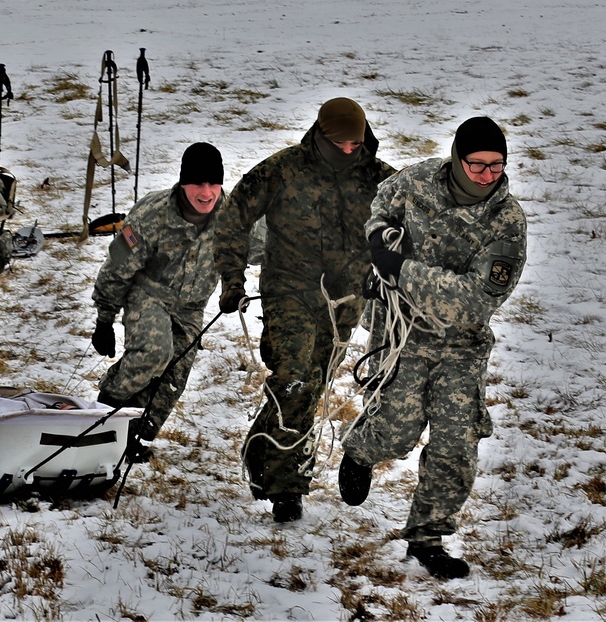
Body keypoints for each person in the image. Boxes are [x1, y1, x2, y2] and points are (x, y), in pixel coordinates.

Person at [337, 116, 527, 579]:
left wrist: (401, 269)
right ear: (457, 159)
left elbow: (472, 301)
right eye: (477, 164)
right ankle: (362, 449)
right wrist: (380, 236)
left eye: (497, 165)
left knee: (455, 445)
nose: (487, 175)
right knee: (398, 430)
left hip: (460, 345)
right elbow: (381, 206)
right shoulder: (418, 180)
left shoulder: (506, 221)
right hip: (402, 334)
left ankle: (428, 537)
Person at [214, 98, 396, 522]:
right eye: (340, 142)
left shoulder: (380, 178)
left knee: (310, 387)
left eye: (356, 142)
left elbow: (417, 223)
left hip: (346, 301)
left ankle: (263, 447)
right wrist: (232, 280)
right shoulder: (283, 169)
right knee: (294, 380)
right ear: (320, 133)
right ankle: (287, 488)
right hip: (288, 291)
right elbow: (233, 218)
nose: (349, 150)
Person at [91, 142, 225, 459]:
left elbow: (270, 246)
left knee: (175, 375)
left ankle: (138, 435)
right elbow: (117, 265)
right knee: (154, 352)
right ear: (182, 183)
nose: (206, 193)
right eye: (197, 183)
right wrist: (104, 319)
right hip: (148, 293)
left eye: (213, 183)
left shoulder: (233, 217)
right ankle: (102, 414)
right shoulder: (151, 215)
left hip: (191, 308)